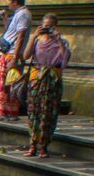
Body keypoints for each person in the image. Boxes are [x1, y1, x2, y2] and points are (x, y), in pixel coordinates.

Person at [22, 14, 71, 158]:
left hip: (52, 81)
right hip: (36, 80)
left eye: (51, 26)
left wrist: (58, 39)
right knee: (33, 113)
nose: (47, 28)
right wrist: (33, 36)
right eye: (45, 26)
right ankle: (32, 145)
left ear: (56, 26)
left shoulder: (62, 42)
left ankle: (43, 146)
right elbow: (25, 56)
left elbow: (65, 59)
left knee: (48, 114)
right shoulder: (37, 40)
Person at [0, 0, 32, 121]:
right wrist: (5, 18)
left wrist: (15, 58)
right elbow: (10, 33)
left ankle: (7, 113)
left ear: (15, 1)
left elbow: (21, 36)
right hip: (8, 53)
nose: (7, 3)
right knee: (3, 82)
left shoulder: (23, 14)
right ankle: (4, 112)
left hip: (12, 54)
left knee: (9, 83)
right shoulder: (18, 14)